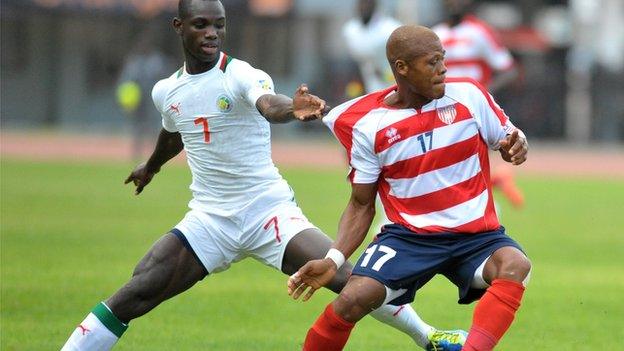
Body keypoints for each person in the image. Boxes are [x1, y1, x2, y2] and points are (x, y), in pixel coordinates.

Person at [61, 1, 464, 350]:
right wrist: (151, 166)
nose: (212, 32)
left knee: (350, 279)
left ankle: (429, 337)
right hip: (209, 220)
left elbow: (269, 104)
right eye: (201, 24)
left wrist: (293, 108)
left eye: (219, 24)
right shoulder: (166, 90)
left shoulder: (240, 74)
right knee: (136, 291)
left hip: (267, 213)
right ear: (178, 26)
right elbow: (174, 131)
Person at [288, 25, 532, 351]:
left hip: (476, 236)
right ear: (402, 68)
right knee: (351, 300)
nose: (443, 69)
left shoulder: (470, 95)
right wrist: (333, 261)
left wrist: (516, 147)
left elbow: (511, 138)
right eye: (432, 62)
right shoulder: (368, 124)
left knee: (516, 265)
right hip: (409, 237)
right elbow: (361, 204)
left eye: (442, 59)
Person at [432, 0, 524, 208]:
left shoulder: (480, 31)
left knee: (456, 163)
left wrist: (482, 94)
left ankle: (482, 214)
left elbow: (509, 70)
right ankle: (496, 180)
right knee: (446, 164)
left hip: (470, 109)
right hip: (440, 108)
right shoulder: (434, 34)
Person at [116, 26, 174, 161]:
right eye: (141, 44)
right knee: (137, 127)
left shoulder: (158, 61)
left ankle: (156, 153)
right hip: (138, 102)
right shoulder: (133, 62)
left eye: (146, 44)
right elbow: (125, 83)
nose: (143, 46)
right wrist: (126, 100)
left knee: (156, 126)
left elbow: (168, 79)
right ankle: (136, 154)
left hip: (154, 101)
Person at [342, 0, 401, 95]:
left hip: (392, 84)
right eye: (362, 2)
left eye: (368, 2)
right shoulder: (350, 30)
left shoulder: (391, 28)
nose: (364, 6)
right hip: (365, 83)